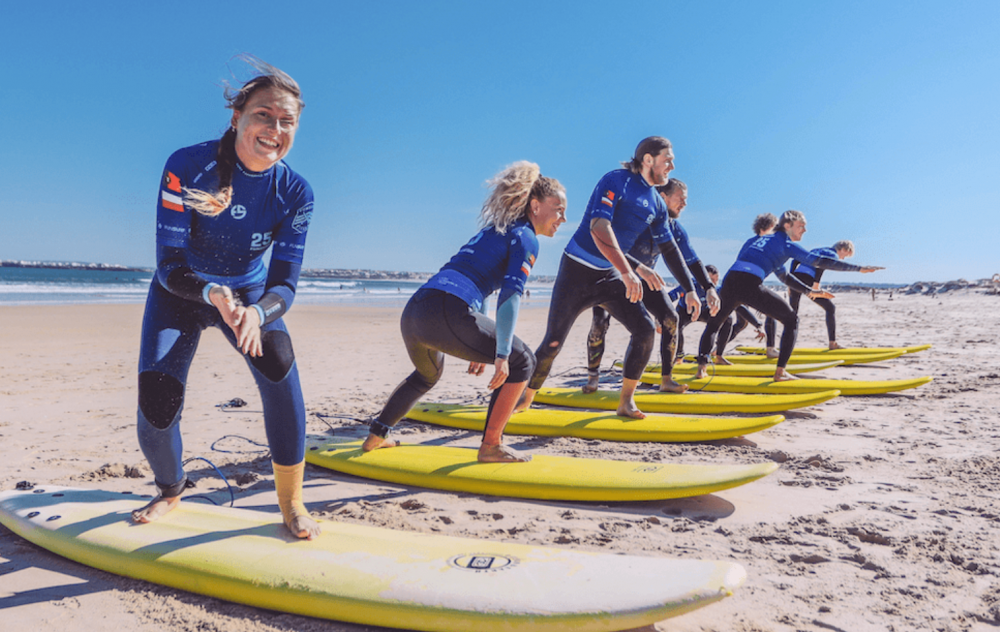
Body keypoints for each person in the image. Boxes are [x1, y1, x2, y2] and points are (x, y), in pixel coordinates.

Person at [131, 57, 320, 540]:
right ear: (237, 117)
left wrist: (256, 312)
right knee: (156, 402)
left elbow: (286, 284)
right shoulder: (188, 167)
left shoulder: (296, 193)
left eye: (287, 121)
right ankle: (171, 489)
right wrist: (213, 292)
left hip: (250, 295)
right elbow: (169, 265)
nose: (275, 129)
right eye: (263, 115)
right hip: (183, 291)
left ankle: (292, 501)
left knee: (279, 364)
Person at [363, 162, 566, 463]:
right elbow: (510, 296)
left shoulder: (494, 230)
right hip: (448, 311)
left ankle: (376, 436)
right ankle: (491, 446)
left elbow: (475, 284)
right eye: (558, 209)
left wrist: (478, 336)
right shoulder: (525, 238)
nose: (563, 218)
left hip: (417, 310)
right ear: (535, 206)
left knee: (425, 375)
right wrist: (502, 353)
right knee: (523, 360)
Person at [515, 138, 711, 419]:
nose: (672, 165)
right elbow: (599, 228)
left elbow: (669, 248)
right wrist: (630, 270)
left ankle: (626, 401)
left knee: (644, 329)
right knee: (553, 342)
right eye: (667, 159)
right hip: (577, 270)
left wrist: (691, 289)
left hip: (609, 276)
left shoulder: (656, 202)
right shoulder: (617, 181)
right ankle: (526, 396)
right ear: (647, 159)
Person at [695, 210, 882, 381]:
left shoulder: (764, 241)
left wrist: (809, 291)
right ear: (787, 225)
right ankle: (780, 372)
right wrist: (859, 268)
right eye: (801, 226)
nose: (805, 230)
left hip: (730, 281)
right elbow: (819, 261)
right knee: (792, 320)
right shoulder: (784, 243)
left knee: (715, 323)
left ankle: (701, 369)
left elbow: (785, 277)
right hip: (749, 283)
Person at [581, 178, 719, 393]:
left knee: (671, 318)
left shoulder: (675, 229)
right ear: (662, 197)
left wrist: (708, 287)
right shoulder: (638, 219)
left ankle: (666, 379)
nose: (684, 204)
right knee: (599, 322)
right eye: (680, 199)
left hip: (646, 281)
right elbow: (611, 247)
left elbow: (691, 260)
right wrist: (636, 269)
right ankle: (592, 376)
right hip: (614, 276)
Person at [763, 240, 857, 352]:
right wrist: (816, 284)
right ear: (844, 249)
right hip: (808, 280)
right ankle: (832, 343)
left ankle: (784, 347)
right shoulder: (833, 254)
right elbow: (822, 266)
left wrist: (790, 281)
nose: (843, 258)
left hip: (796, 279)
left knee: (792, 316)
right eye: (846, 255)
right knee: (830, 308)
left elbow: (795, 261)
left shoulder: (816, 250)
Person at [671, 265, 765, 362]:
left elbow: (738, 307)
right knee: (676, 324)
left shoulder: (718, 289)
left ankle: (719, 355)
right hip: (686, 311)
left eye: (716, 280)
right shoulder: (689, 285)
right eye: (711, 280)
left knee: (727, 319)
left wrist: (758, 325)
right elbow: (671, 297)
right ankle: (679, 356)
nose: (714, 283)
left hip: (704, 311)